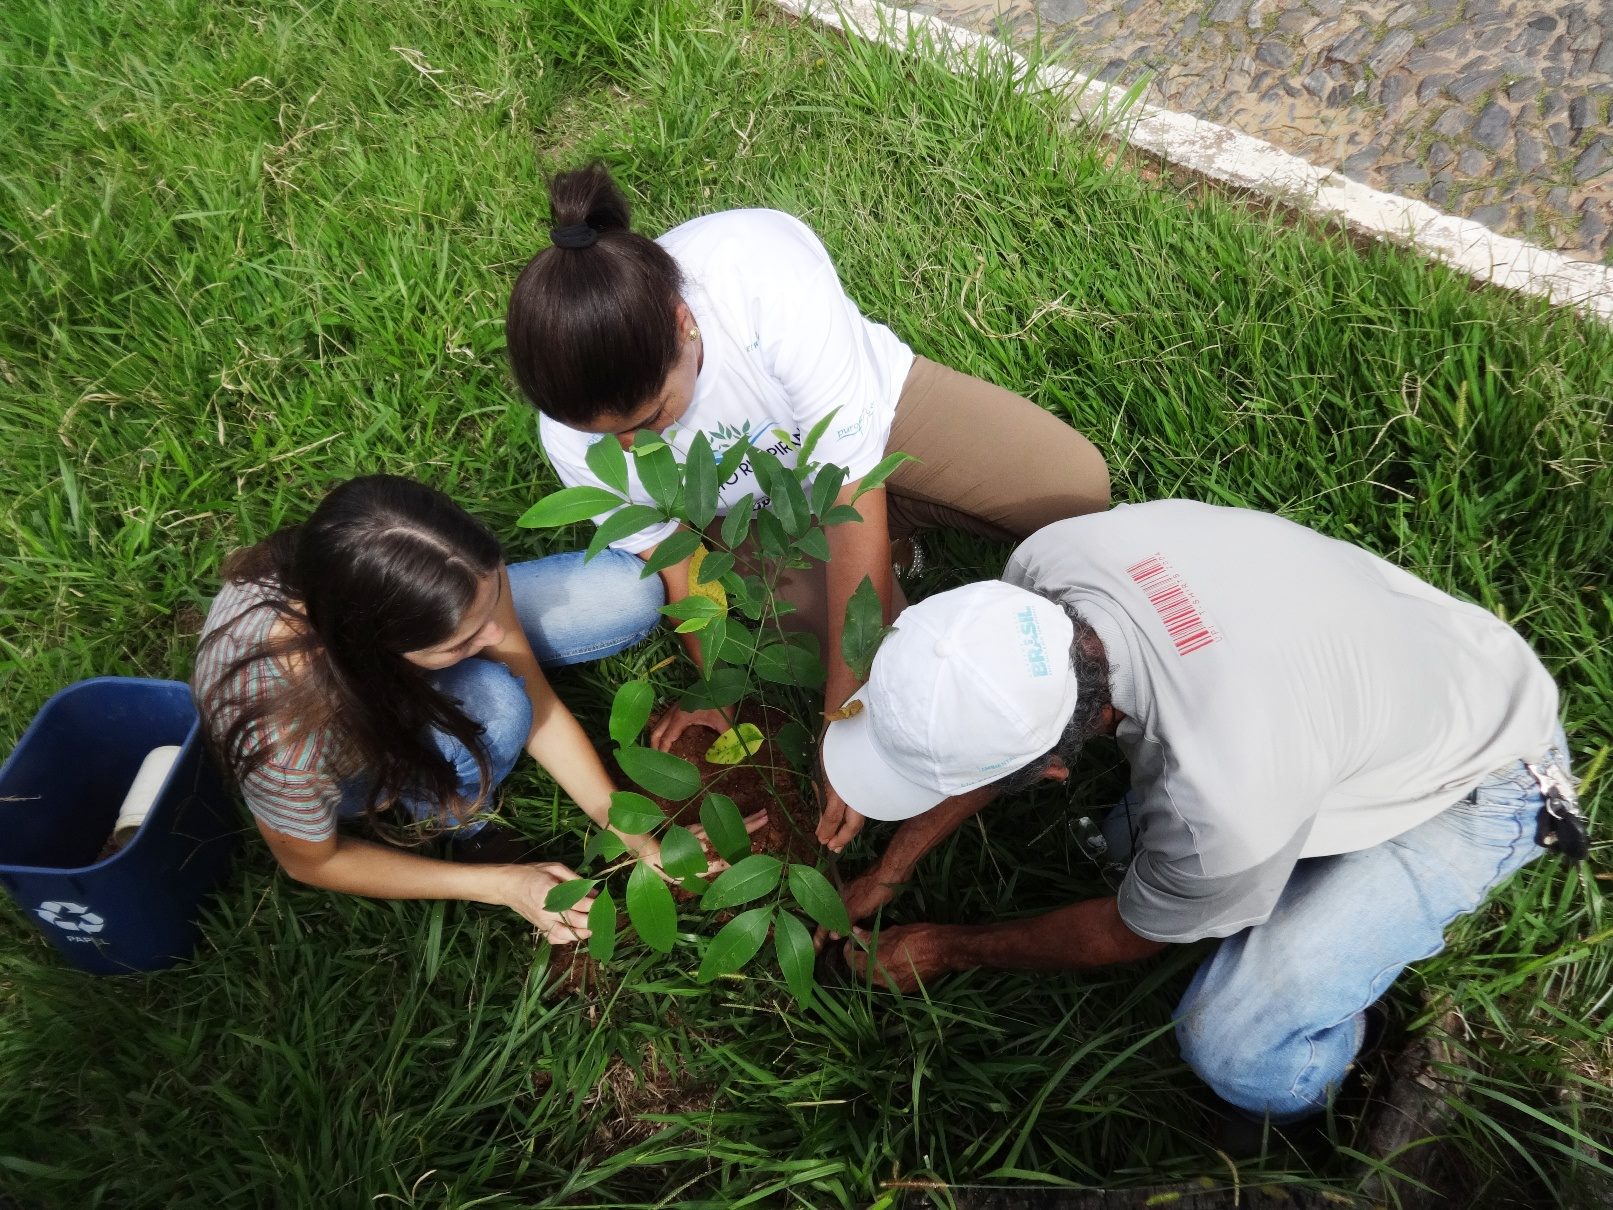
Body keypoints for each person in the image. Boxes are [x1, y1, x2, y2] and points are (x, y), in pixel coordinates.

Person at [819, 499, 1577, 1126]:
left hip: (1486, 769)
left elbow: (1125, 933)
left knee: (1234, 1047)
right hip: (1404, 655)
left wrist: (946, 949)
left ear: (1052, 768)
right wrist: (892, 870)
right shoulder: (1048, 570)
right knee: (1153, 853)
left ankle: (1347, 1051)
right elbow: (1004, 711)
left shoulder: (1221, 803)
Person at [505, 162, 1110, 851]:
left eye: (652, 416)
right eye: (605, 436)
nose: (633, 446)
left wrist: (838, 714)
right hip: (760, 514)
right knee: (879, 652)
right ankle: (898, 549)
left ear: (684, 326)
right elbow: (677, 558)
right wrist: (717, 684)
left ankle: (899, 527)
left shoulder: (756, 272)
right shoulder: (573, 434)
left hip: (878, 424)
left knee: (1075, 488)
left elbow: (851, 484)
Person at [193, 475, 757, 940]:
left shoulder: (441, 563)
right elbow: (311, 861)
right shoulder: (287, 745)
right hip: (350, 751)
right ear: (380, 651)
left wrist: (636, 836)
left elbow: (537, 694)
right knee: (497, 706)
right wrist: (504, 884)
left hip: (403, 639)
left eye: (491, 603)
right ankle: (454, 817)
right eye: (459, 643)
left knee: (626, 594)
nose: (495, 636)